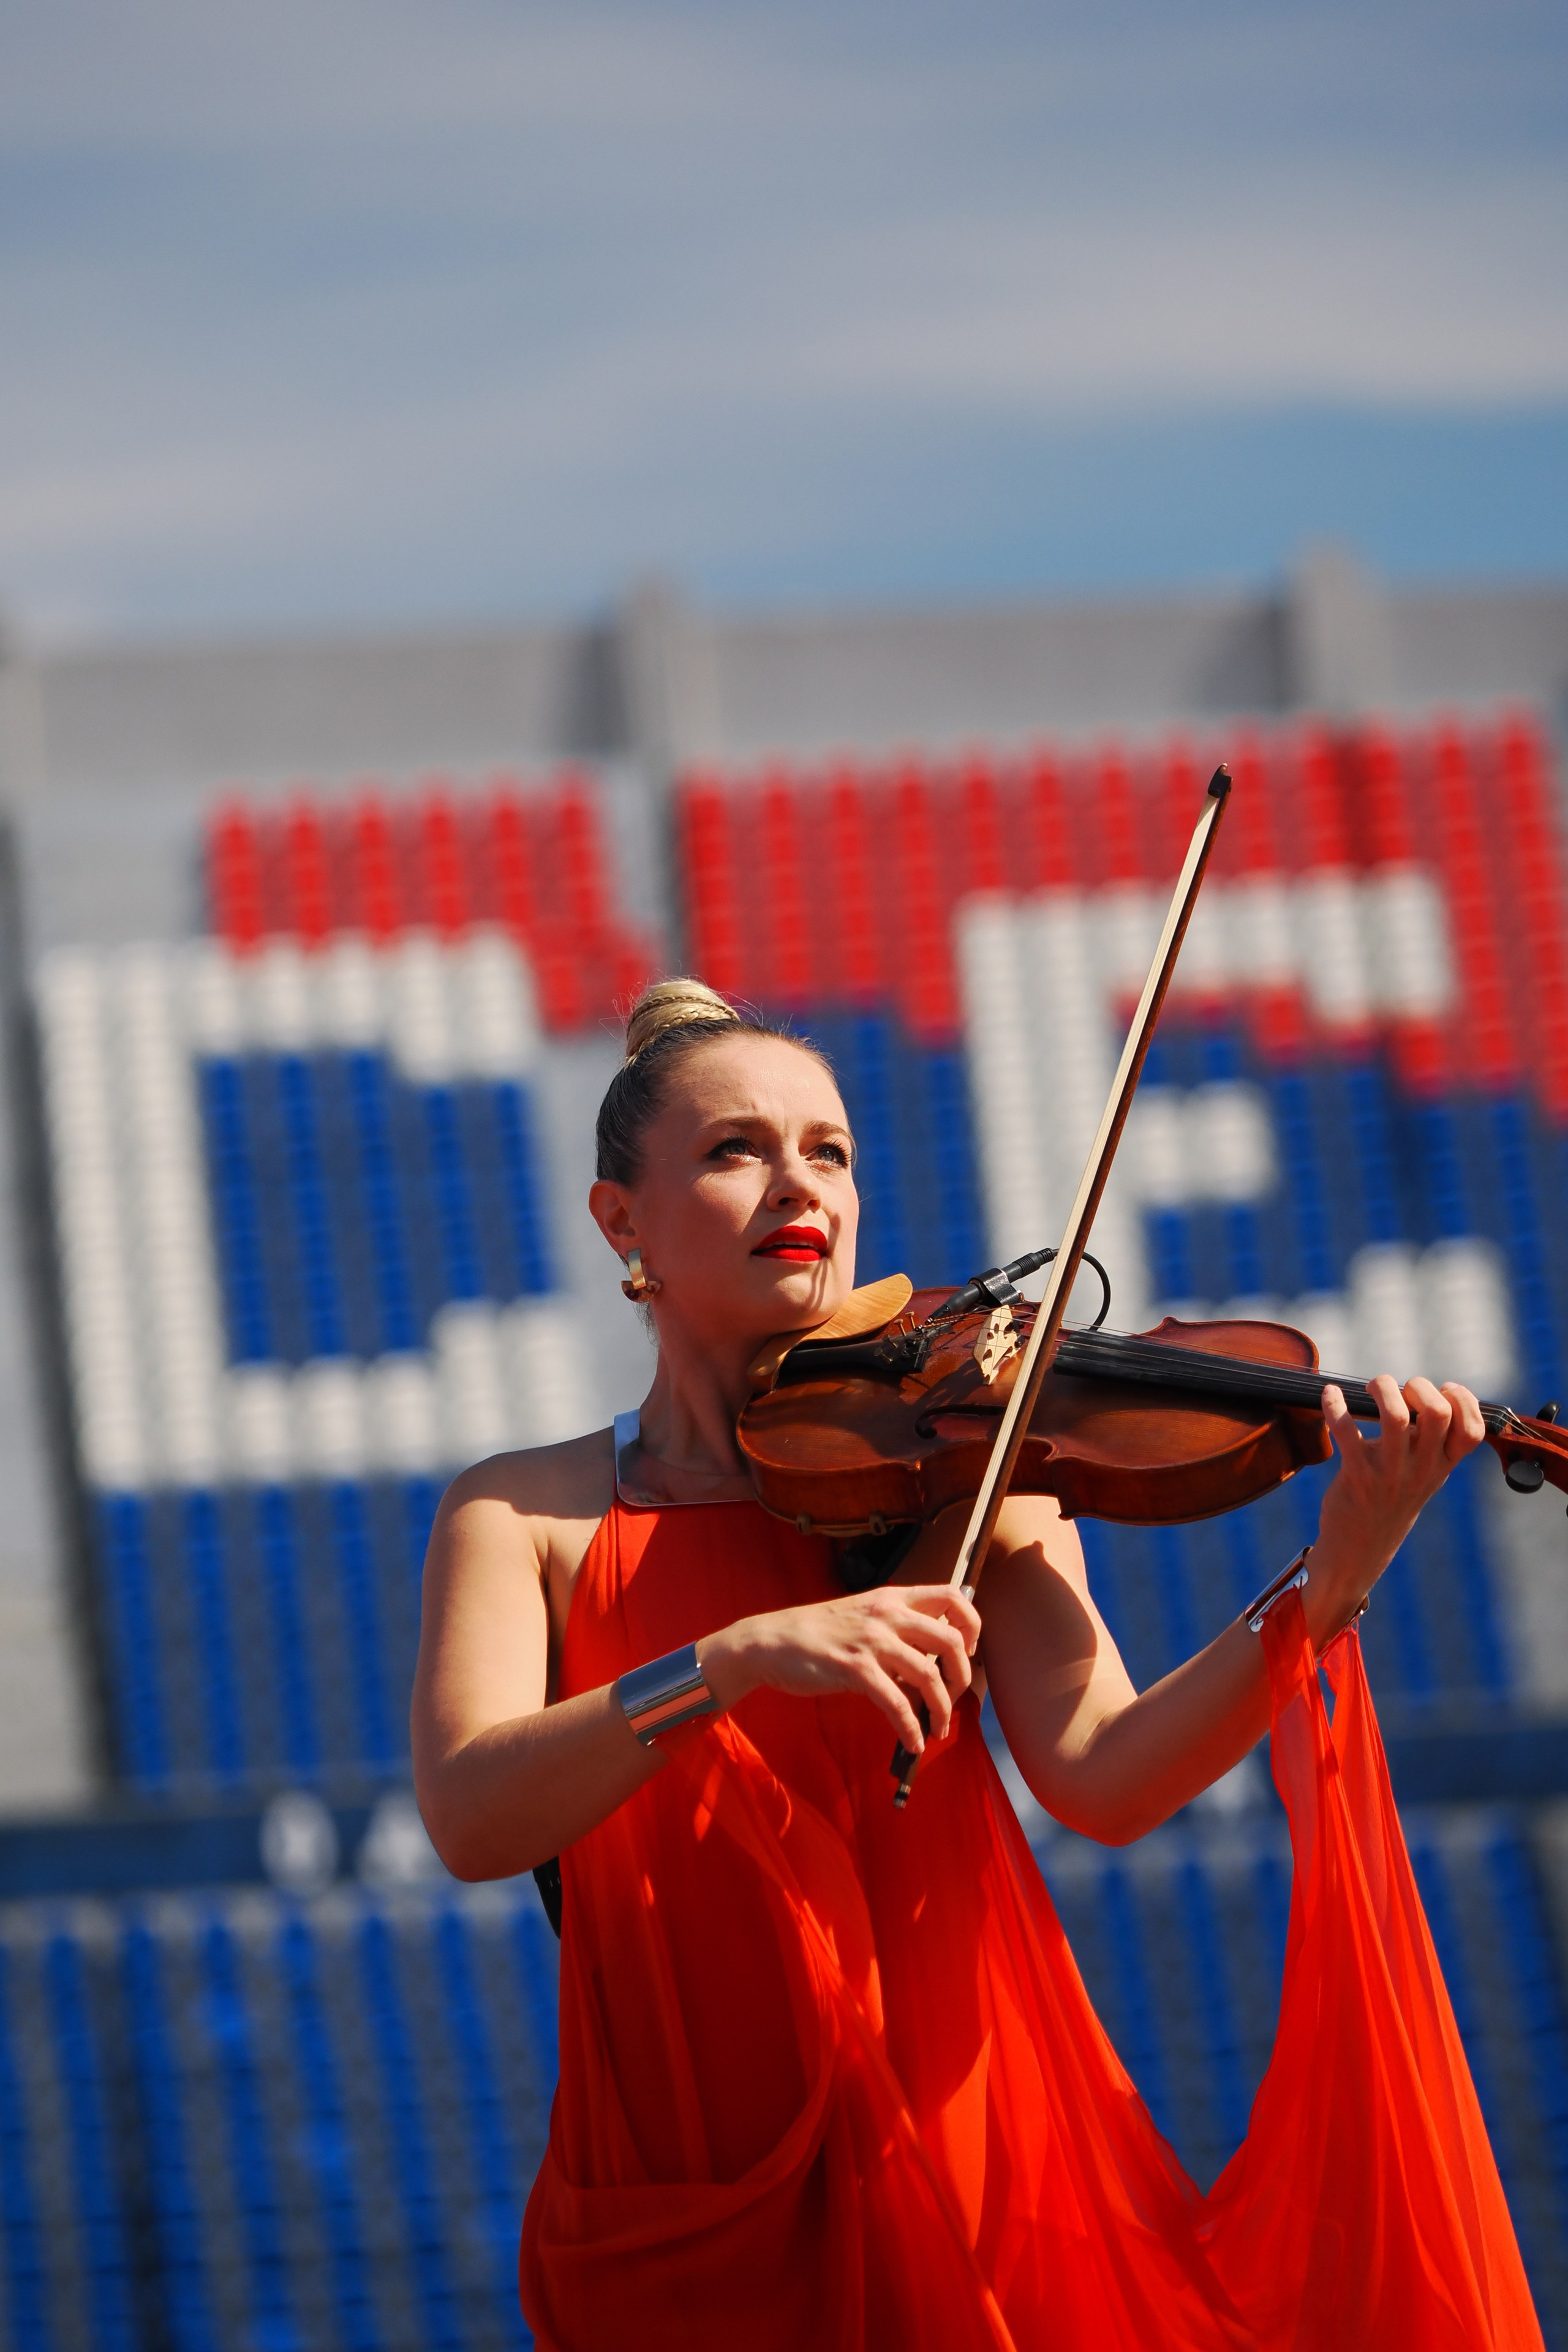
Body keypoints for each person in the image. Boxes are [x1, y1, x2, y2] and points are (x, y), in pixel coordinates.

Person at [411, 979, 1542, 2351]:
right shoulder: (519, 1513)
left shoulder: (969, 1477)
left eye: (826, 1149)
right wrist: (728, 1662)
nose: (796, 1183)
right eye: (733, 1151)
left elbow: (1104, 1774)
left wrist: (1333, 1575)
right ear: (619, 1222)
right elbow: (472, 1815)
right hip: (679, 2190)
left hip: (954, 2144)